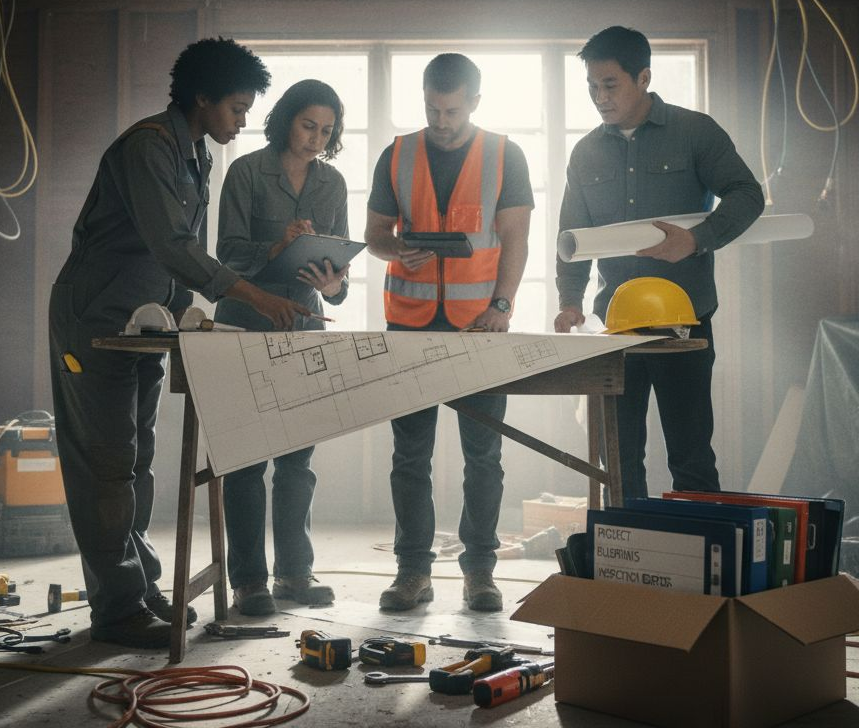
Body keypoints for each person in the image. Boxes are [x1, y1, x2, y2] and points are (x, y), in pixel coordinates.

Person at [49, 38, 315, 649]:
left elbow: (173, 259)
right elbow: (173, 245)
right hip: (94, 321)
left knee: (136, 459)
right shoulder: (148, 146)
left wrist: (184, 314)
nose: (244, 121)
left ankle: (138, 589)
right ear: (203, 98)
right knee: (106, 466)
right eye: (239, 109)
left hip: (143, 323)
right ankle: (116, 611)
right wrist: (254, 297)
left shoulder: (196, 153)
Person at [555, 25, 764, 500]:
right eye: (592, 87)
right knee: (620, 457)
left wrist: (696, 240)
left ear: (643, 77)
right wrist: (569, 301)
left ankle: (697, 567)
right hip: (617, 325)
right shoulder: (585, 152)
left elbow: (748, 195)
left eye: (610, 85)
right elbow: (571, 237)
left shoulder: (695, 132)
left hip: (685, 322)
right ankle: (628, 567)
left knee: (690, 454)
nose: (600, 97)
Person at [364, 53, 533, 612]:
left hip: (480, 327)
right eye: (433, 109)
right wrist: (397, 249)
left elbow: (515, 239)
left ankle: (480, 573)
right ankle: (413, 574)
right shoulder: (398, 153)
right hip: (407, 323)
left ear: (476, 103)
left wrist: (503, 305)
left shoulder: (506, 155)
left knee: (483, 457)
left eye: (452, 111)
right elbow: (374, 235)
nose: (441, 121)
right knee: (409, 457)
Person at [213, 79, 351, 615]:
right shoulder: (247, 171)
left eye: (327, 131)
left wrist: (332, 282)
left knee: (298, 459)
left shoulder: (332, 183)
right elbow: (226, 255)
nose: (317, 139)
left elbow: (337, 271)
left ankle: (295, 574)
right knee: (247, 458)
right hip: (245, 322)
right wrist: (278, 246)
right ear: (286, 120)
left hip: (306, 324)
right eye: (308, 125)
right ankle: (249, 581)